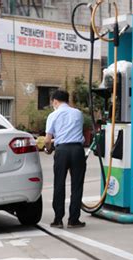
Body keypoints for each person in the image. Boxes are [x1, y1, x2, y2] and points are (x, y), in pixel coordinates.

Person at [44, 90, 86, 228]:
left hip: (61, 151)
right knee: (77, 185)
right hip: (78, 150)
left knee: (59, 184)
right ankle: (74, 220)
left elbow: (47, 139)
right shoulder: (78, 113)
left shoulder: (53, 115)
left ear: (55, 101)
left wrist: (48, 149)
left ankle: (58, 219)